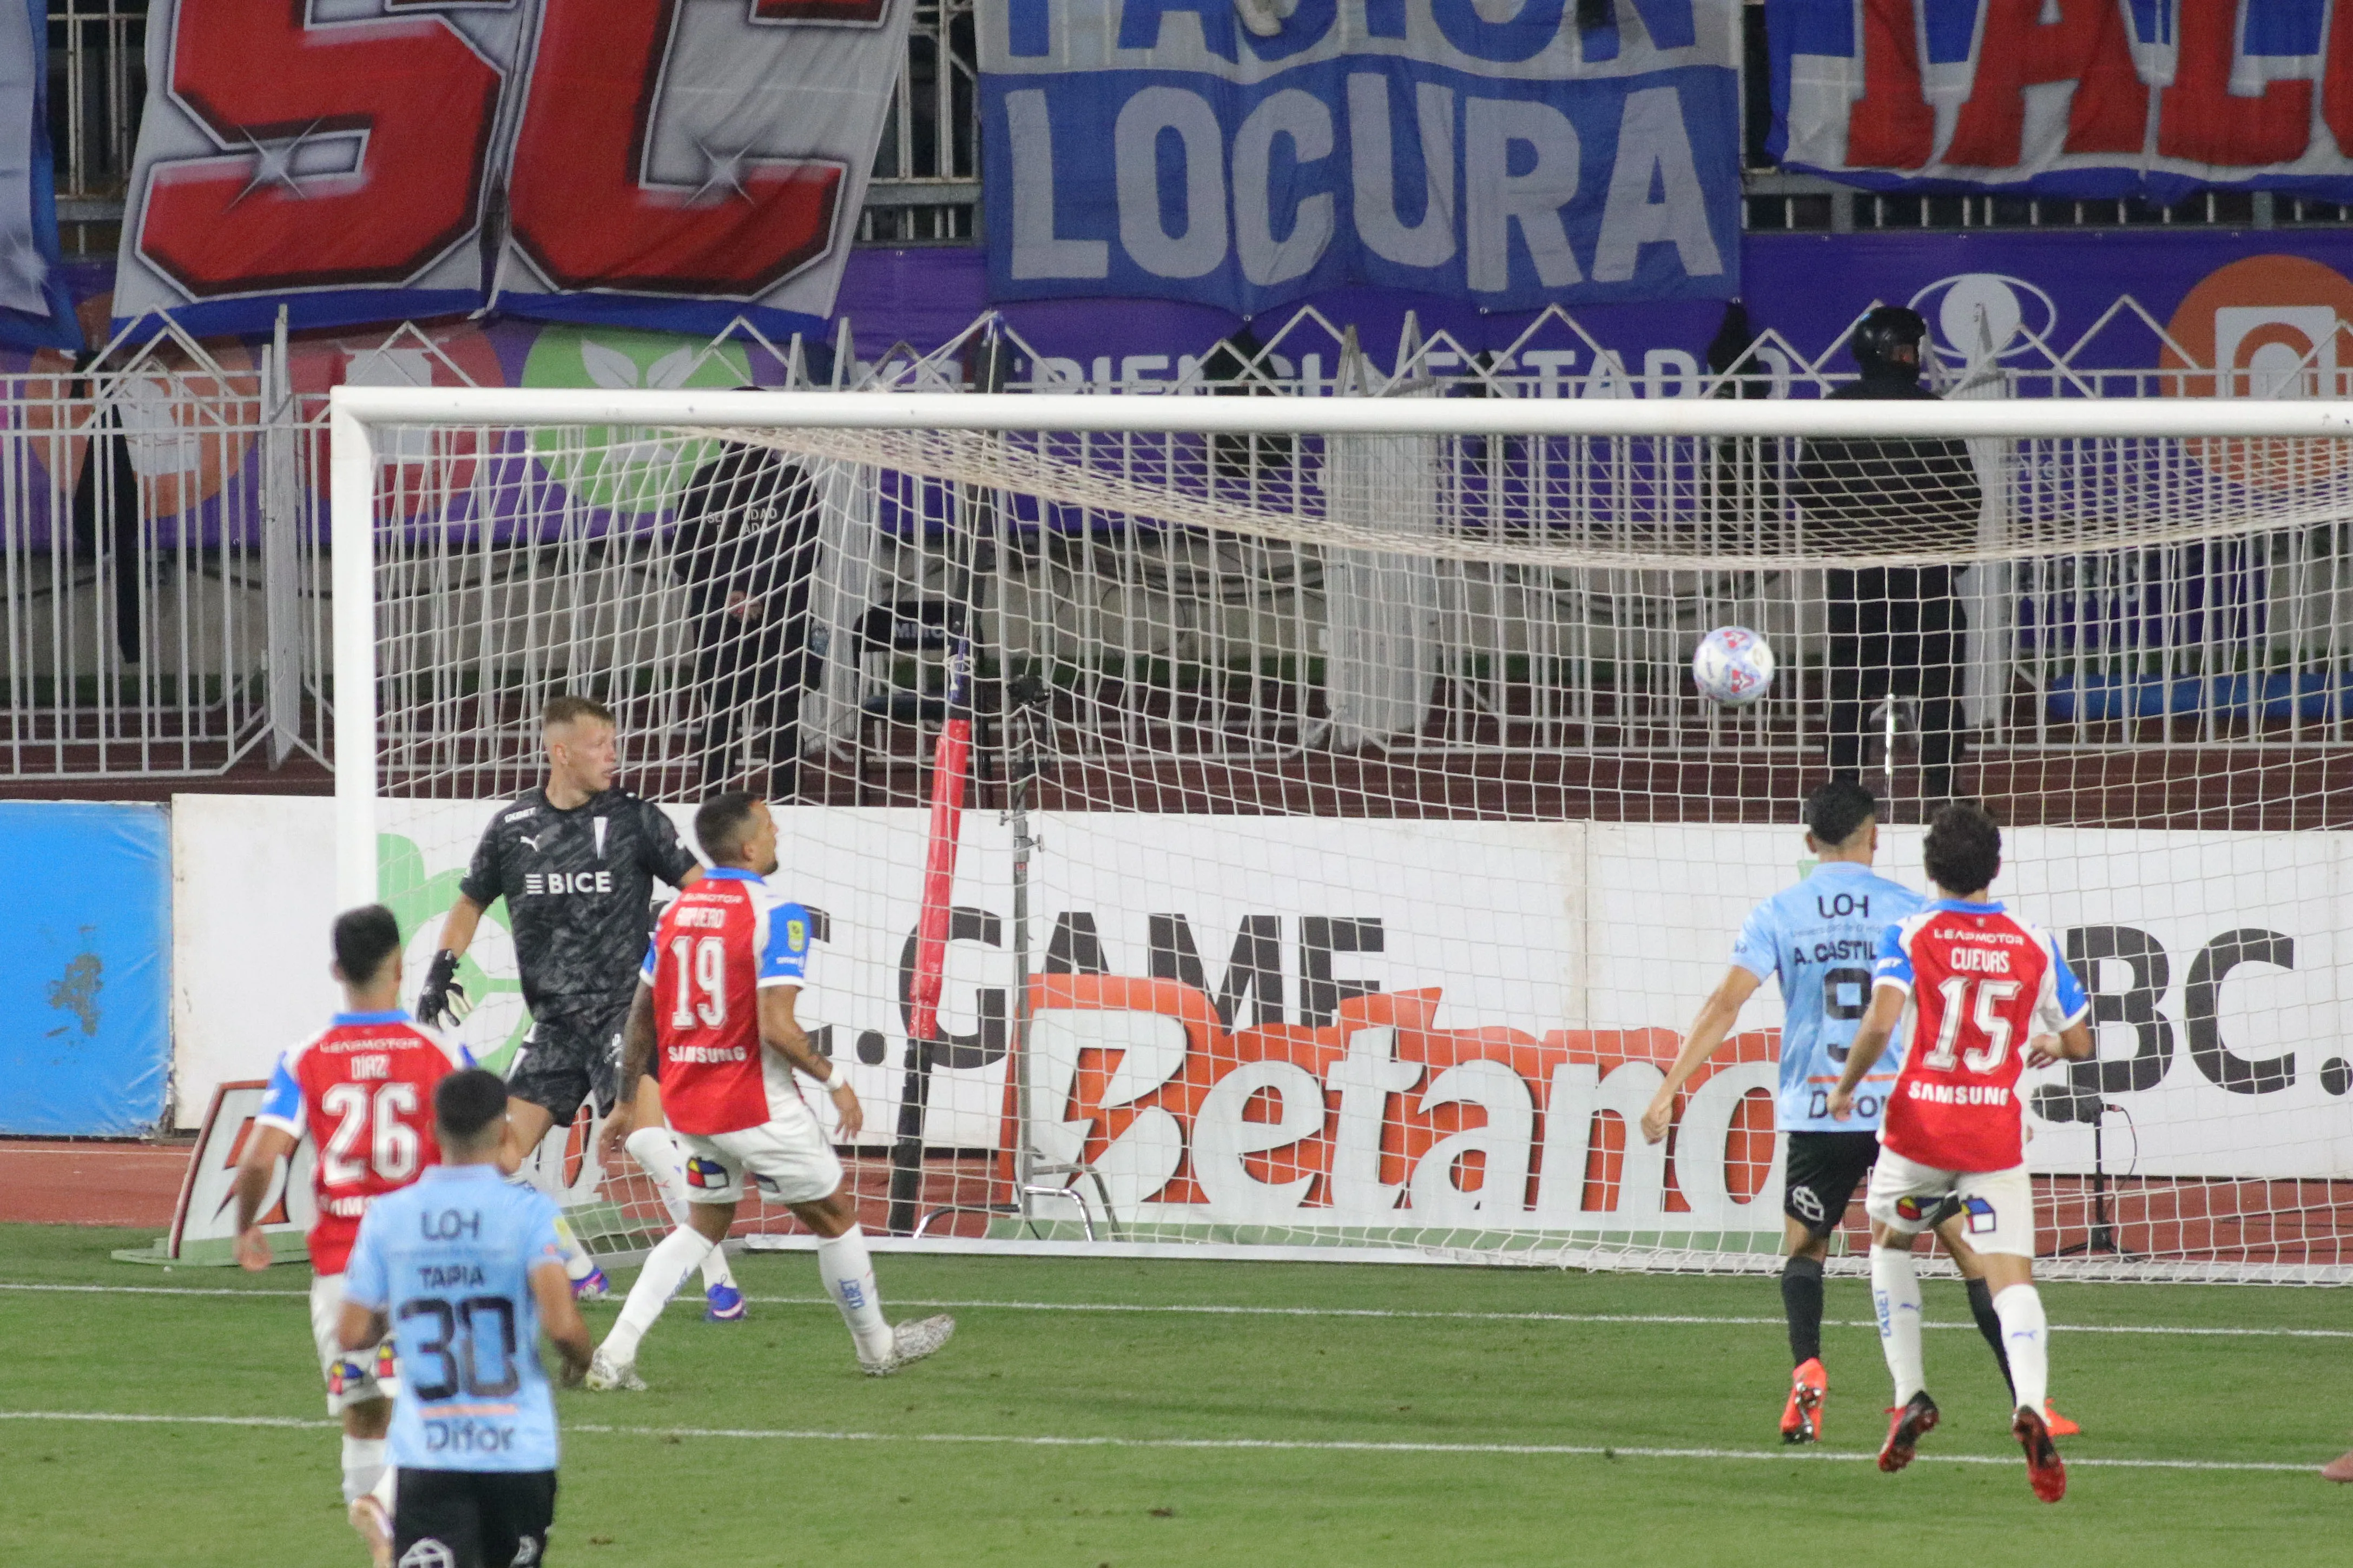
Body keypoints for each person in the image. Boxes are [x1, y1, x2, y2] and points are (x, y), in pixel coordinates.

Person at [1640, 780, 2075, 1445]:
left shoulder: (1777, 913)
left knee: (1805, 1248)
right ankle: (2028, 1399)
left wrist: (1670, 1084)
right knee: (1967, 1252)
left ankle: (1806, 1373)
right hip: (1905, 1116)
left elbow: (1724, 1003)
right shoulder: (1911, 911)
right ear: (1874, 837)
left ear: (1808, 842)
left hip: (1818, 1107)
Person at [588, 790, 954, 1387]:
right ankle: (878, 1348)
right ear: (750, 845)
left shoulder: (675, 914)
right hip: (753, 1103)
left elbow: (640, 1013)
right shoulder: (777, 915)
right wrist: (835, 1081)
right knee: (834, 1214)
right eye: (770, 825)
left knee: (703, 1222)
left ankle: (616, 1351)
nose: (778, 832)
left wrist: (628, 1099)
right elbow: (775, 1026)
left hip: (688, 1104)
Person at [415, 693, 746, 1318]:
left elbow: (702, 889)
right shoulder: (513, 828)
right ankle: (578, 1267)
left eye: (614, 743)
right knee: (496, 1158)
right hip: (556, 1023)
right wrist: (443, 964)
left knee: (650, 1141)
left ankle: (720, 1283)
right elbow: (469, 901)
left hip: (627, 1014)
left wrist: (707, 946)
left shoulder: (636, 820)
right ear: (560, 751)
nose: (612, 755)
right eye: (600, 745)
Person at [1829, 802, 2095, 1501]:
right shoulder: (2031, 941)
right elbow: (2080, 1041)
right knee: (2012, 1277)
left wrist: (1844, 1086)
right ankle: (2031, 1403)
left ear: (1928, 869)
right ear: (1995, 866)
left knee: (1888, 1240)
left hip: (1919, 1125)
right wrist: (2042, 1041)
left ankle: (1911, 1391)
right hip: (1992, 1134)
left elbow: (1882, 1019)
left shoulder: (1909, 930)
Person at [232, 904, 470, 1568]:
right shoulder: (441, 1051)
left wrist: (248, 1223)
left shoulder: (304, 1056)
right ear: (400, 965)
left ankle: (382, 1537)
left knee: (364, 1413)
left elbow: (259, 1158)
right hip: (428, 1262)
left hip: (343, 1275)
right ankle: (389, 1506)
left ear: (337, 970)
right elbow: (491, 1145)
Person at [339, 1069, 594, 1568]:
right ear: (504, 1133)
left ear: (433, 1132)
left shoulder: (390, 1214)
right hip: (518, 1446)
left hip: (429, 1449)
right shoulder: (529, 1212)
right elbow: (563, 1326)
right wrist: (580, 1363)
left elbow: (352, 1331)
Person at [1794, 306, 1981, 809]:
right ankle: (1941, 795)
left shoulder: (1835, 408)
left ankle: (1843, 795)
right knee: (1939, 692)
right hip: (1925, 577)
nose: (1911, 357)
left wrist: (1840, 544)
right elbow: (1965, 496)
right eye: (1907, 348)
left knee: (1850, 693)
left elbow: (1807, 491)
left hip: (1856, 577)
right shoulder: (1930, 410)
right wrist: (1949, 559)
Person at [671, 433, 823, 800]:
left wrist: (757, 591)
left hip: (781, 615)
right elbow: (685, 556)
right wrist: (730, 595)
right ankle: (713, 802)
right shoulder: (703, 482)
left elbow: (805, 551)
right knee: (721, 711)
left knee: (781, 710)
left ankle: (786, 802)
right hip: (718, 615)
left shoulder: (793, 482)